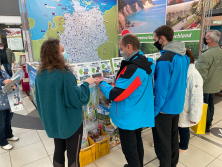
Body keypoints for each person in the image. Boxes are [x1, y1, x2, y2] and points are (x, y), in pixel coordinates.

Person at [95, 33, 155, 167]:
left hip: (128, 115)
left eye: (121, 48)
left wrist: (102, 84)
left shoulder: (133, 68)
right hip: (137, 112)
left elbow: (116, 95)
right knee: (137, 142)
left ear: (128, 47)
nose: (120, 51)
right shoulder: (145, 62)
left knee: (129, 148)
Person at [35, 38, 95, 167]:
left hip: (53, 122)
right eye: (62, 51)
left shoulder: (40, 74)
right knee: (73, 156)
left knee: (58, 150)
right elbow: (79, 99)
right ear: (55, 54)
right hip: (70, 123)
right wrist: (86, 83)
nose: (65, 53)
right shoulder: (64, 74)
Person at [152, 25, 190, 167]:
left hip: (164, 108)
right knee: (174, 137)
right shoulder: (184, 56)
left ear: (162, 38)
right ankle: (173, 163)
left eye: (155, 39)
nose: (154, 43)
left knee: (162, 141)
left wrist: (155, 111)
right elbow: (183, 82)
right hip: (177, 105)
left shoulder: (164, 59)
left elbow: (161, 89)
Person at [196, 30, 222, 132]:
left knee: (204, 105)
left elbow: (200, 76)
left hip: (205, 86)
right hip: (215, 85)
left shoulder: (206, 55)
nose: (204, 39)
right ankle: (209, 122)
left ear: (210, 39)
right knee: (210, 103)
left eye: (206, 37)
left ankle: (204, 126)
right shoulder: (220, 52)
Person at [178, 48, 203, 154]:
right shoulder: (184, 71)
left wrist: (194, 117)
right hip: (181, 106)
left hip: (187, 108)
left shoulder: (194, 75)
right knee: (180, 126)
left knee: (184, 128)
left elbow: (196, 98)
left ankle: (184, 146)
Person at [0, 69, 19, 150]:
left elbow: (9, 80)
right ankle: (2, 141)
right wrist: (3, 81)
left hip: (8, 101)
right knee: (1, 123)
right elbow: (3, 81)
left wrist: (13, 84)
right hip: (0, 104)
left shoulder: (2, 71)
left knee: (8, 119)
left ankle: (9, 135)